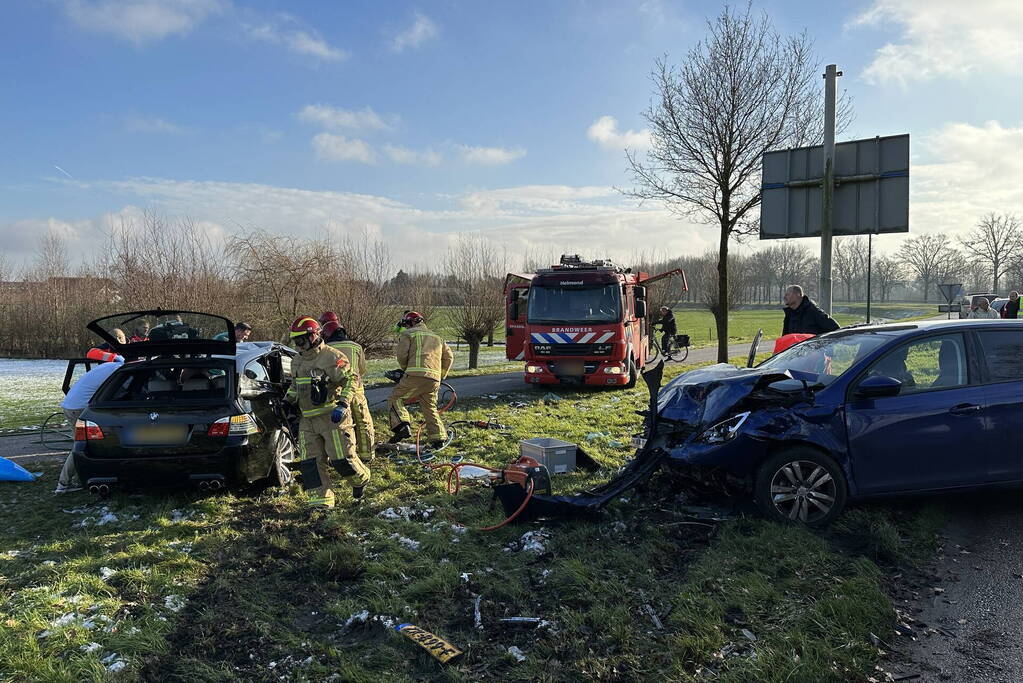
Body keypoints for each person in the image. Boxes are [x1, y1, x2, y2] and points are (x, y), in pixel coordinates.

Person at [284, 316, 370, 509]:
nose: (299, 345)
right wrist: (287, 401)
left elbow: (351, 380)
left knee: (342, 460)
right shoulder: (297, 361)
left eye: (301, 340)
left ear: (314, 336)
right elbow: (295, 386)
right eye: (295, 341)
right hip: (307, 420)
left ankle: (360, 480)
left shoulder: (333, 357)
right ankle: (322, 503)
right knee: (311, 464)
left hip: (333, 417)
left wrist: (343, 404)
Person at [54, 350, 125, 493]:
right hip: (79, 408)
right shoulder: (120, 370)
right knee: (81, 446)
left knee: (83, 445)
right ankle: (63, 484)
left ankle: (78, 478)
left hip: (71, 405)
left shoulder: (110, 366)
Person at [387, 311, 453, 448]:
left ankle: (402, 425)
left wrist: (405, 369)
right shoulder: (437, 337)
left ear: (410, 323)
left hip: (414, 375)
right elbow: (449, 357)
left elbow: (401, 355)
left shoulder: (408, 334)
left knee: (395, 399)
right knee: (429, 407)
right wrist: (440, 375)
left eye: (406, 324)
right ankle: (438, 438)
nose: (405, 327)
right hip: (434, 379)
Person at [319, 312, 375, 463]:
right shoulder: (356, 347)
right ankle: (366, 455)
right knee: (363, 422)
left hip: (335, 393)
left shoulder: (325, 349)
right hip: (356, 390)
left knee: (339, 426)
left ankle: (340, 456)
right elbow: (362, 369)